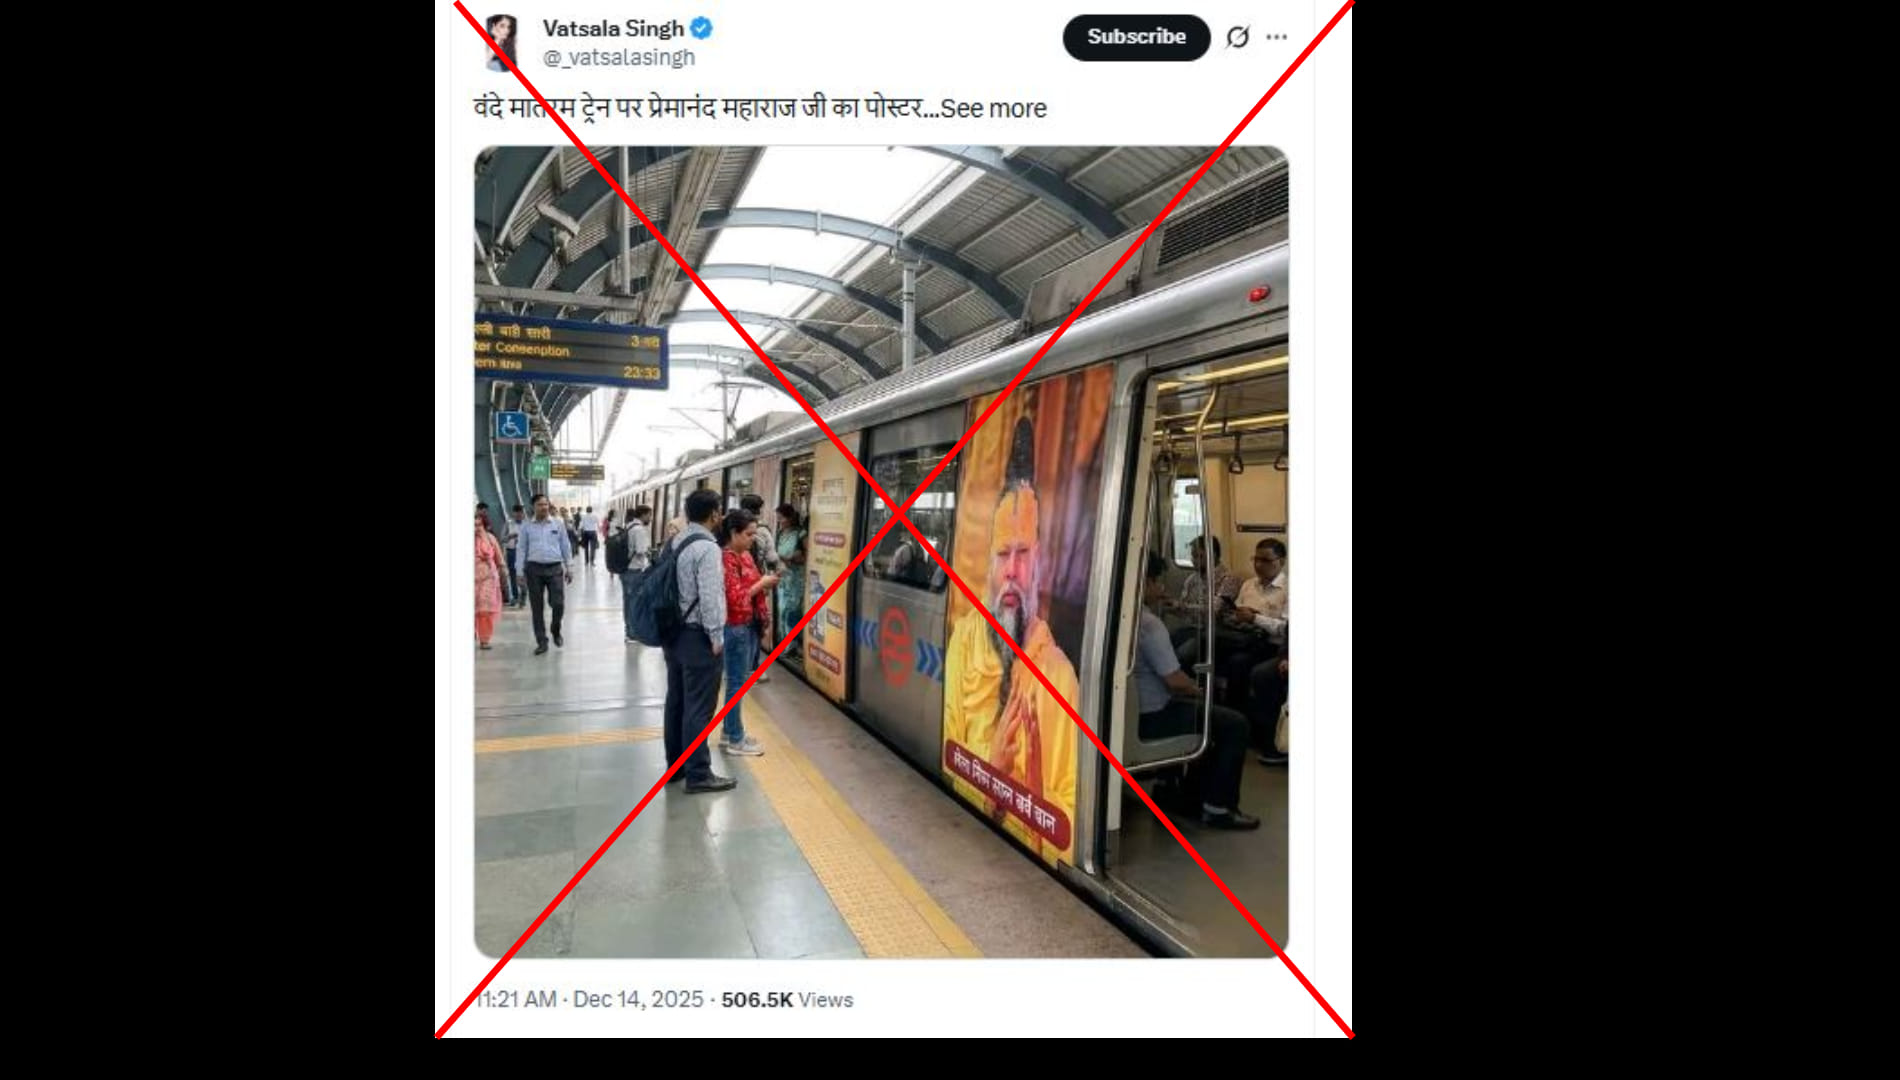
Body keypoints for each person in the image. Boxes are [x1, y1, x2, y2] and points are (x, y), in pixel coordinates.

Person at [942, 416, 1080, 862]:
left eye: (1023, 554)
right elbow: (948, 750)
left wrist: (1027, 788)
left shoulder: (1057, 675)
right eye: (1003, 554)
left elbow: (1070, 814)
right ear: (988, 562)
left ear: (1040, 563)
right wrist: (993, 769)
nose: (1012, 572)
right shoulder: (965, 642)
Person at [1134, 552, 1259, 829]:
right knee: (1234, 724)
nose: (1162, 587)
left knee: (1207, 712)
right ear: (1148, 582)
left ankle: (1173, 790)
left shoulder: (1125, 618)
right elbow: (1174, 680)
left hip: (1135, 711)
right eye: (1159, 581)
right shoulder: (1149, 625)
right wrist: (1198, 690)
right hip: (1154, 715)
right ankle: (1218, 807)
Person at [662, 490, 737, 793]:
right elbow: (710, 597)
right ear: (715, 514)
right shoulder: (707, 548)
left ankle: (676, 767)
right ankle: (698, 774)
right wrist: (716, 636)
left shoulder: (676, 540)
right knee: (699, 707)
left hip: (673, 634)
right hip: (697, 637)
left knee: (677, 701)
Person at [716, 508, 775, 756]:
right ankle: (735, 739)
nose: (753, 539)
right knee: (736, 683)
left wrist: (763, 585)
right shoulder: (726, 559)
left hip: (750, 624)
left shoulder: (746, 556)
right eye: (749, 534)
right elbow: (736, 598)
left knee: (739, 682)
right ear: (734, 533)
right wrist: (762, 584)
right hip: (736, 626)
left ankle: (729, 731)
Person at [514, 493, 574, 656]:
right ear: (533, 507)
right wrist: (519, 572)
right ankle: (542, 641)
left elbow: (565, 545)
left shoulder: (558, 523)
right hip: (534, 569)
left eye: (546, 504)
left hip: (555, 568)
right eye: (540, 505)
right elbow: (521, 549)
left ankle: (555, 629)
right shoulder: (527, 526)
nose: (544, 507)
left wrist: (569, 567)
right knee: (537, 608)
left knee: (558, 603)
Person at [617, 505, 653, 644]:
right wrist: (649, 551)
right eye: (649, 515)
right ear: (643, 515)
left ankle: (629, 631)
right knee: (633, 603)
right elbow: (640, 550)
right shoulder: (639, 529)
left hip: (625, 569)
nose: (650, 518)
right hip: (634, 570)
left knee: (628, 602)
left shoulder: (629, 526)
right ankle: (632, 634)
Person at [774, 504, 808, 642]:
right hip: (783, 579)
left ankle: (792, 644)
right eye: (778, 518)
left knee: (792, 611)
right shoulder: (780, 533)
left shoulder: (801, 533)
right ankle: (784, 641)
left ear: (790, 518)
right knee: (782, 610)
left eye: (781, 518)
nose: (779, 521)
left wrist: (793, 558)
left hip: (795, 579)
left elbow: (808, 555)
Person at [474, 512, 507, 650]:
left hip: (488, 577)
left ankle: (484, 639)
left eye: (479, 525)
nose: (476, 528)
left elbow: (499, 557)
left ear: (484, 525)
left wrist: (503, 571)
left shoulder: (490, 538)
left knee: (485, 609)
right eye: (473, 525)